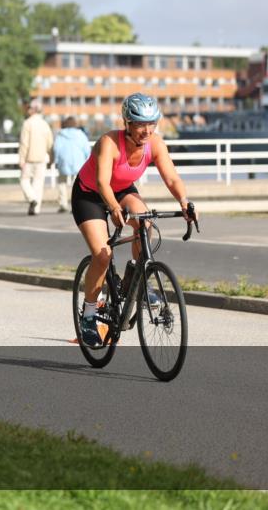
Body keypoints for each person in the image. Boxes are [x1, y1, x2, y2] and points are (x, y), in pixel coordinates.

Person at [71, 93, 198, 347]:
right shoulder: (109, 142)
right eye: (140, 124)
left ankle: (135, 283)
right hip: (90, 195)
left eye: (152, 123)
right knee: (103, 255)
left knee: (146, 223)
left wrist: (184, 202)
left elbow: (172, 178)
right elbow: (101, 182)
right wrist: (113, 207)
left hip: (122, 190)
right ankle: (88, 315)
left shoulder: (156, 144)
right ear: (127, 123)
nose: (147, 130)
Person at [18, 99, 54, 216]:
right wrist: (51, 156)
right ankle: (36, 208)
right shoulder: (45, 124)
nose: (28, 110)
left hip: (29, 158)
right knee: (38, 183)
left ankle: (31, 198)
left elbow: (24, 143)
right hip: (42, 158)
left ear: (33, 110)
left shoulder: (27, 123)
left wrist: (21, 158)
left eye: (29, 108)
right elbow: (50, 143)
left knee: (24, 180)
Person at [54, 116, 91, 212]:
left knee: (62, 182)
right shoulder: (81, 134)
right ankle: (76, 204)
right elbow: (87, 149)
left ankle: (63, 204)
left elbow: (56, 148)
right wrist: (88, 161)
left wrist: (56, 160)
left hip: (64, 161)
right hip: (79, 162)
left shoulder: (60, 135)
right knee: (77, 184)